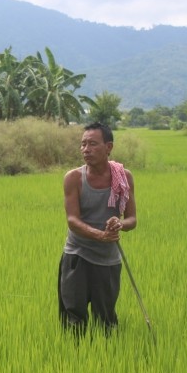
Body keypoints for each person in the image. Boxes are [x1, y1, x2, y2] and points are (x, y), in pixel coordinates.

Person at [58, 122, 137, 335]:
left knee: (106, 319)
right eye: (83, 144)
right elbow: (72, 220)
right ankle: (72, 360)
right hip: (77, 255)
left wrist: (119, 224)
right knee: (74, 317)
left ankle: (106, 358)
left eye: (92, 144)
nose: (86, 149)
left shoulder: (123, 177)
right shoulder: (74, 178)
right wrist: (99, 235)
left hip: (108, 259)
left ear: (108, 147)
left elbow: (132, 219)